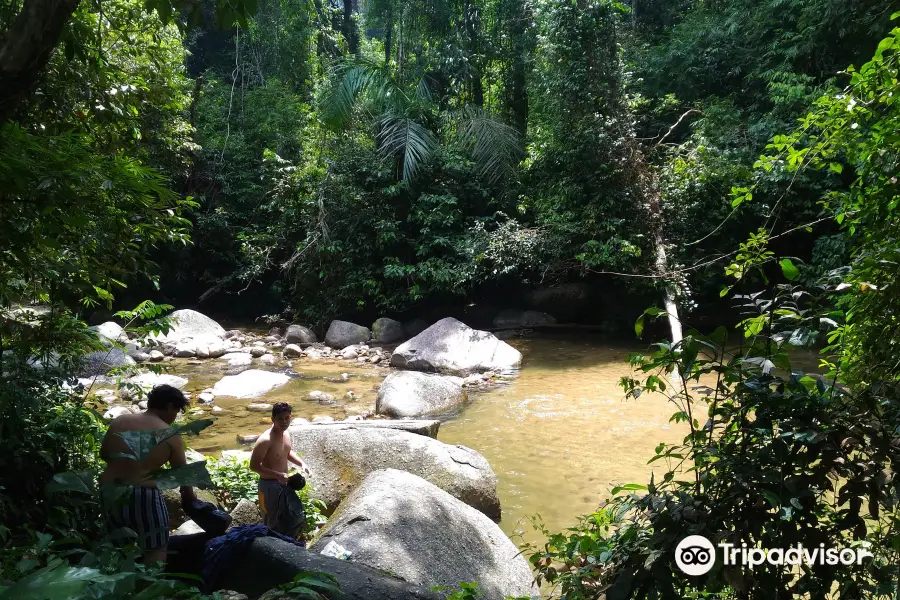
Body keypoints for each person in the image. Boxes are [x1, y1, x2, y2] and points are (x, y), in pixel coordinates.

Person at [98, 384, 198, 564]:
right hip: (144, 495)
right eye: (176, 412)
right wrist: (190, 499)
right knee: (156, 548)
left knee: (120, 547)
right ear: (169, 406)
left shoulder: (119, 422)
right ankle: (149, 589)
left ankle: (120, 587)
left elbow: (104, 454)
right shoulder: (170, 434)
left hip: (110, 491)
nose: (174, 419)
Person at [250, 402, 308, 536]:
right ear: (273, 419)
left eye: (287, 418)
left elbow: (287, 452)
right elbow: (254, 466)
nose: (284, 422)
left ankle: (288, 542)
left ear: (291, 417)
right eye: (280, 419)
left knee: (289, 516)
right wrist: (277, 475)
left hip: (284, 482)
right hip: (269, 486)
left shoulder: (286, 434)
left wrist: (302, 464)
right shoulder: (265, 440)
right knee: (272, 520)